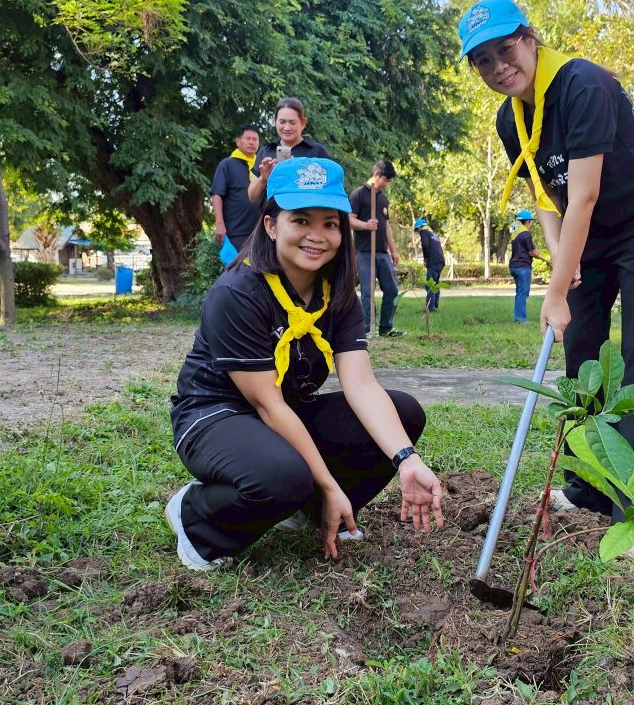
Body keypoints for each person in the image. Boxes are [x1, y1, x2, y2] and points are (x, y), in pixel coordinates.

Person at [458, 0, 634, 564]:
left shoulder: (583, 85)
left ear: (529, 37)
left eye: (505, 49)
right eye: (482, 60)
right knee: (581, 350)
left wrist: (556, 290)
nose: (498, 66)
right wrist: (563, 259)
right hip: (591, 234)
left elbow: (583, 194)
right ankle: (589, 488)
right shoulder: (509, 118)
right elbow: (547, 197)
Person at [167, 157, 443, 568]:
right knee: (285, 475)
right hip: (214, 416)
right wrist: (329, 484)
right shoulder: (238, 293)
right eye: (300, 220)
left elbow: (361, 385)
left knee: (402, 412)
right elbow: (267, 405)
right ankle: (196, 516)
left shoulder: (337, 293)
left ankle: (307, 512)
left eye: (330, 223)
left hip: (286, 411)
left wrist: (408, 459)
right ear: (271, 225)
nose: (318, 236)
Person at [349, 160, 405, 337]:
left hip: (382, 252)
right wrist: (366, 225)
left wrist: (394, 251)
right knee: (368, 291)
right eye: (385, 180)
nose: (386, 184)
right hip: (364, 251)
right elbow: (349, 220)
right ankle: (367, 328)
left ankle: (386, 328)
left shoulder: (382, 198)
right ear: (376, 175)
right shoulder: (358, 194)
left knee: (392, 290)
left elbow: (386, 226)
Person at [248, 97, 330, 206]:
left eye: (292, 122)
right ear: (274, 121)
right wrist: (263, 179)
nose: (286, 128)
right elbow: (252, 198)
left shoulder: (317, 152)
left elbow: (328, 190)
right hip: (272, 214)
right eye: (282, 122)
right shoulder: (266, 152)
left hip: (305, 213)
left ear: (303, 123)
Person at [209, 123, 261, 253]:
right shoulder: (227, 164)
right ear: (237, 141)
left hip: (260, 232)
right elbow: (217, 194)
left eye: (255, 139)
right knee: (238, 265)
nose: (251, 142)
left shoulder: (261, 166)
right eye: (248, 139)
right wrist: (219, 224)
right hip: (236, 232)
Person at [508, 210, 550, 322]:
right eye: (531, 221)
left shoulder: (515, 232)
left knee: (519, 293)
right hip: (523, 267)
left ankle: (518, 317)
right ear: (527, 221)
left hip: (514, 266)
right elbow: (532, 252)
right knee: (523, 293)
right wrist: (546, 260)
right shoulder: (526, 234)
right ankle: (520, 319)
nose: (531, 223)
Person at [413, 217, 445, 311]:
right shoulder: (433, 234)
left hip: (433, 261)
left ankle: (430, 308)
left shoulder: (423, 233)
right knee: (435, 283)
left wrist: (425, 259)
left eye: (417, 230)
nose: (418, 232)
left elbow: (425, 246)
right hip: (440, 261)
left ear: (420, 227)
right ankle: (435, 305)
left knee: (430, 284)